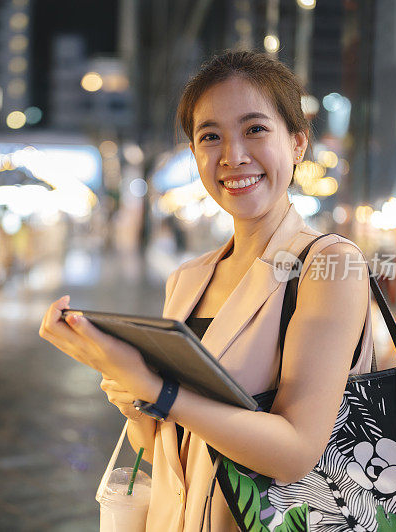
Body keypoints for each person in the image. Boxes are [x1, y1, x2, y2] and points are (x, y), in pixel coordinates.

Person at [39, 50, 374, 531]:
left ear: (297, 143)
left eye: (255, 129)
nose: (233, 156)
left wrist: (155, 387)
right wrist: (131, 395)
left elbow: (296, 453)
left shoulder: (328, 263)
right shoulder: (189, 278)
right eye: (210, 136)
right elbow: (168, 451)